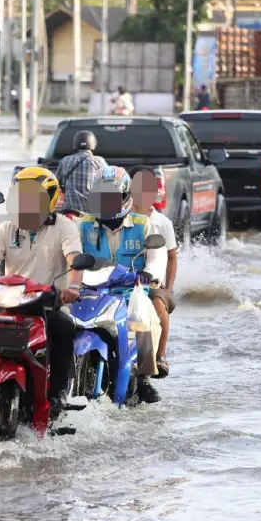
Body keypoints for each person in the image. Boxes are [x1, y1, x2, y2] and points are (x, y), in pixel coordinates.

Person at [0, 167, 84, 414]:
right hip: (10, 304)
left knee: (65, 327)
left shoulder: (64, 227)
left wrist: (73, 287)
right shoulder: (7, 229)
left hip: (46, 304)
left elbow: (74, 258)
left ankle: (56, 395)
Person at [76, 170, 163, 402]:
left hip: (129, 294)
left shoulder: (143, 224)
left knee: (147, 323)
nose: (105, 203)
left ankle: (143, 378)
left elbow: (157, 257)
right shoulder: (82, 226)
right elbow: (67, 255)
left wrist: (149, 273)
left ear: (125, 197)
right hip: (91, 293)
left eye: (111, 198)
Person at [126, 168, 179, 378]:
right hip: (122, 279)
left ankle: (160, 355)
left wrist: (168, 288)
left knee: (158, 303)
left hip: (151, 282)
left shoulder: (162, 223)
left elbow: (172, 257)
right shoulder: (119, 216)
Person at [55, 130, 107, 214]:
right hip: (92, 212)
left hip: (69, 212)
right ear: (93, 144)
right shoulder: (98, 161)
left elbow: (56, 183)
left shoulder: (65, 161)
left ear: (75, 144)